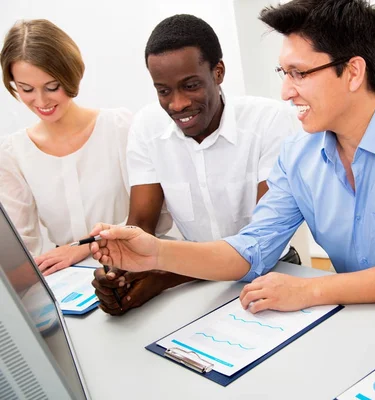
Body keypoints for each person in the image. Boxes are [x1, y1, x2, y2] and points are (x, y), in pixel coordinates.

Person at [89, 0, 375, 313]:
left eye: (299, 73)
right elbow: (252, 248)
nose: (286, 92)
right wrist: (157, 252)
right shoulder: (299, 153)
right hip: (356, 317)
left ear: (353, 72)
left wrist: (310, 290)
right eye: (284, 74)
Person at [91, 14, 300, 315]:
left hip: (274, 273)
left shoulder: (269, 121)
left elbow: (260, 246)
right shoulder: (147, 128)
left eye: (190, 86)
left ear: (218, 72)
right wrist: (121, 272)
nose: (177, 104)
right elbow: (141, 223)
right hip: (189, 281)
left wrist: (163, 275)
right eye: (163, 91)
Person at [0, 19, 139, 275]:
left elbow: (153, 217)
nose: (41, 101)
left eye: (52, 86)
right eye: (26, 89)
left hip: (132, 267)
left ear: (72, 74)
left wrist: (84, 247)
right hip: (66, 281)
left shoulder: (119, 127)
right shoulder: (14, 153)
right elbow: (20, 248)